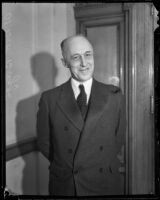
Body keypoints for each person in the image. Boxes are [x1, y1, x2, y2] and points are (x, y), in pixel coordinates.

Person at [37, 34, 126, 196]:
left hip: (104, 183)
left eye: (88, 55)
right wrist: (67, 166)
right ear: (65, 63)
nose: (84, 63)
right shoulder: (49, 99)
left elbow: (118, 139)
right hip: (67, 185)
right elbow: (45, 143)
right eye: (76, 57)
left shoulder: (114, 95)